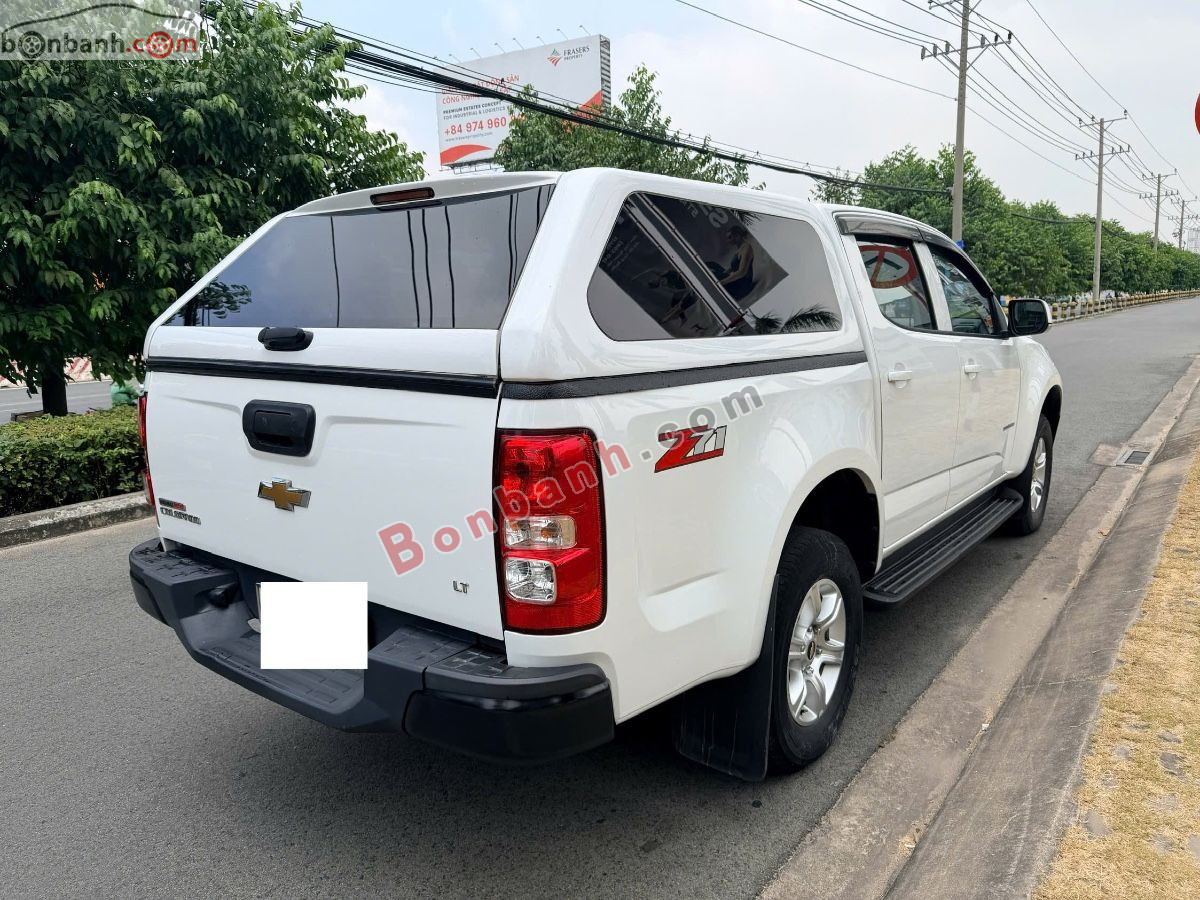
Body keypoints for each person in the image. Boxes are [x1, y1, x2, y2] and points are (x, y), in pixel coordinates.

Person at [719, 224, 756, 301]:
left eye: (730, 237)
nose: (728, 241)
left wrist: (721, 282)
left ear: (737, 235)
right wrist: (723, 273)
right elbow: (735, 266)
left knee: (715, 273)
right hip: (737, 281)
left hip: (743, 285)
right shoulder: (740, 248)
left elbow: (742, 272)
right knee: (712, 266)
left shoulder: (746, 248)